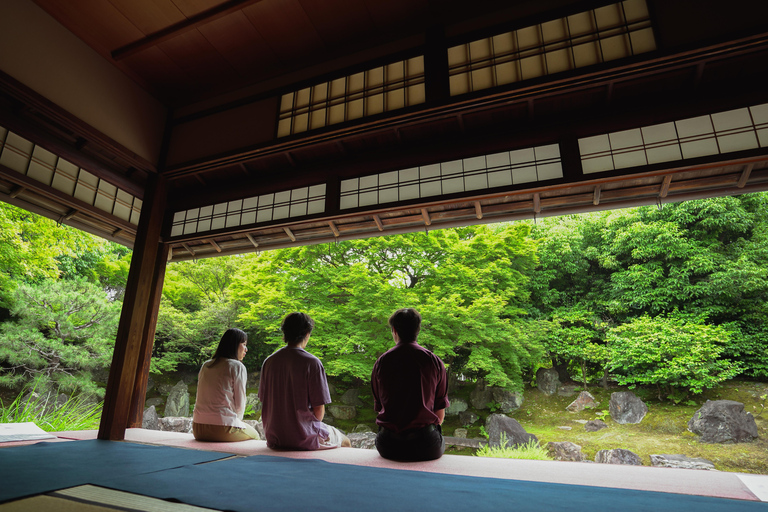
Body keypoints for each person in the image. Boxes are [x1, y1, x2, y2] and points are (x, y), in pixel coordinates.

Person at [259, 312, 351, 450]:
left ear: (285, 332)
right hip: (303, 437)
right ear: (307, 333)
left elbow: (264, 401)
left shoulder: (269, 362)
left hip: (274, 436)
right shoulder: (312, 363)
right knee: (346, 441)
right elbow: (319, 411)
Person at [372, 308, 449, 461]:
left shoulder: (382, 362)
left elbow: (380, 408)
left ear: (394, 330)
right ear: (418, 330)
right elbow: (439, 416)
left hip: (389, 445)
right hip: (426, 446)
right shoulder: (433, 361)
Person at [192, 328, 259, 442]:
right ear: (234, 345)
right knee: (255, 436)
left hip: (198, 428)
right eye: (244, 344)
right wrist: (237, 422)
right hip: (223, 427)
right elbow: (240, 403)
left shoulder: (206, 365)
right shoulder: (237, 366)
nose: (246, 349)